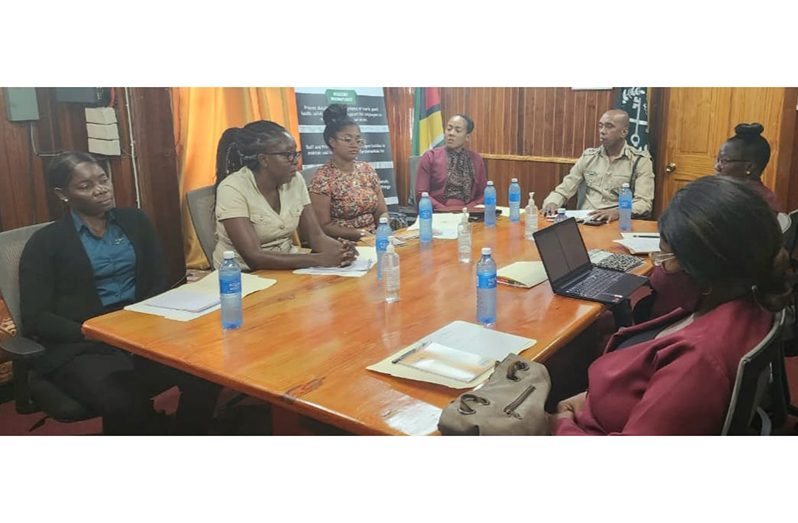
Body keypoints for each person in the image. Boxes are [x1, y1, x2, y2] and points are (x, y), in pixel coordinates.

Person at [552, 176, 790, 435]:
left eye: (665, 258)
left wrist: (559, 423)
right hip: (600, 407)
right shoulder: (746, 299)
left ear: (704, 271)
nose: (658, 267)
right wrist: (591, 398)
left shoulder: (697, 362)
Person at [19, 152, 220, 435]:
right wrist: (95, 331)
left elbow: (158, 280)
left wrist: (142, 324)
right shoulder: (45, 243)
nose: (100, 189)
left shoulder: (135, 221)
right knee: (124, 399)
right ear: (62, 194)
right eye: (85, 186)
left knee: (209, 372)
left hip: (142, 333)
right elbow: (35, 317)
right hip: (82, 345)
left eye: (103, 179)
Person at [213, 120, 357, 270]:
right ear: (264, 159)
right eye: (287, 155)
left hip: (288, 266)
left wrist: (341, 250)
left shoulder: (295, 180)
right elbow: (254, 256)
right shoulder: (232, 188)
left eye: (295, 154)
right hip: (241, 276)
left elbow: (316, 237)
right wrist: (319, 259)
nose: (295, 161)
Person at [542, 109, 655, 222]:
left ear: (624, 132)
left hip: (616, 222)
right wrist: (552, 202)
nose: (602, 131)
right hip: (586, 220)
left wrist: (618, 212)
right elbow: (564, 189)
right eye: (600, 126)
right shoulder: (589, 157)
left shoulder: (640, 161)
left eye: (609, 126)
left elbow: (644, 202)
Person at [308, 104, 388, 242]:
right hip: (343, 244)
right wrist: (360, 234)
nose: (354, 144)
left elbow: (382, 211)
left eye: (358, 140)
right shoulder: (323, 177)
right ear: (332, 141)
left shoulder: (367, 170)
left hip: (375, 239)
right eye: (347, 139)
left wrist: (383, 227)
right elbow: (323, 225)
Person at [415, 114, 487, 211]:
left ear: (467, 137)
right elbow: (421, 194)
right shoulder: (430, 157)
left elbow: (483, 194)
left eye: (457, 130)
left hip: (468, 214)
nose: (451, 133)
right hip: (437, 213)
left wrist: (468, 209)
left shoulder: (476, 160)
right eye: (449, 129)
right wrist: (444, 210)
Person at [715, 122, 780, 212]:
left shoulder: (761, 202)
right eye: (717, 160)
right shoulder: (718, 192)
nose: (717, 167)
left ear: (749, 167)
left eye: (724, 161)